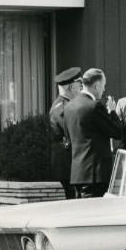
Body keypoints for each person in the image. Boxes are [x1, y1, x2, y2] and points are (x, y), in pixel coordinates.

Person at [65, 68, 123, 198]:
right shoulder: (95, 106)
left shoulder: (69, 106)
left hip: (77, 174)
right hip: (96, 174)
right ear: (96, 86)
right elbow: (117, 132)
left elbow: (68, 137)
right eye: (103, 86)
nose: (103, 90)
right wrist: (113, 112)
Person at [49, 66, 82, 199]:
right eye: (79, 84)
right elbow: (73, 134)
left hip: (71, 162)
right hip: (68, 164)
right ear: (70, 87)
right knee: (75, 203)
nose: (81, 87)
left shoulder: (67, 105)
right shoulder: (62, 107)